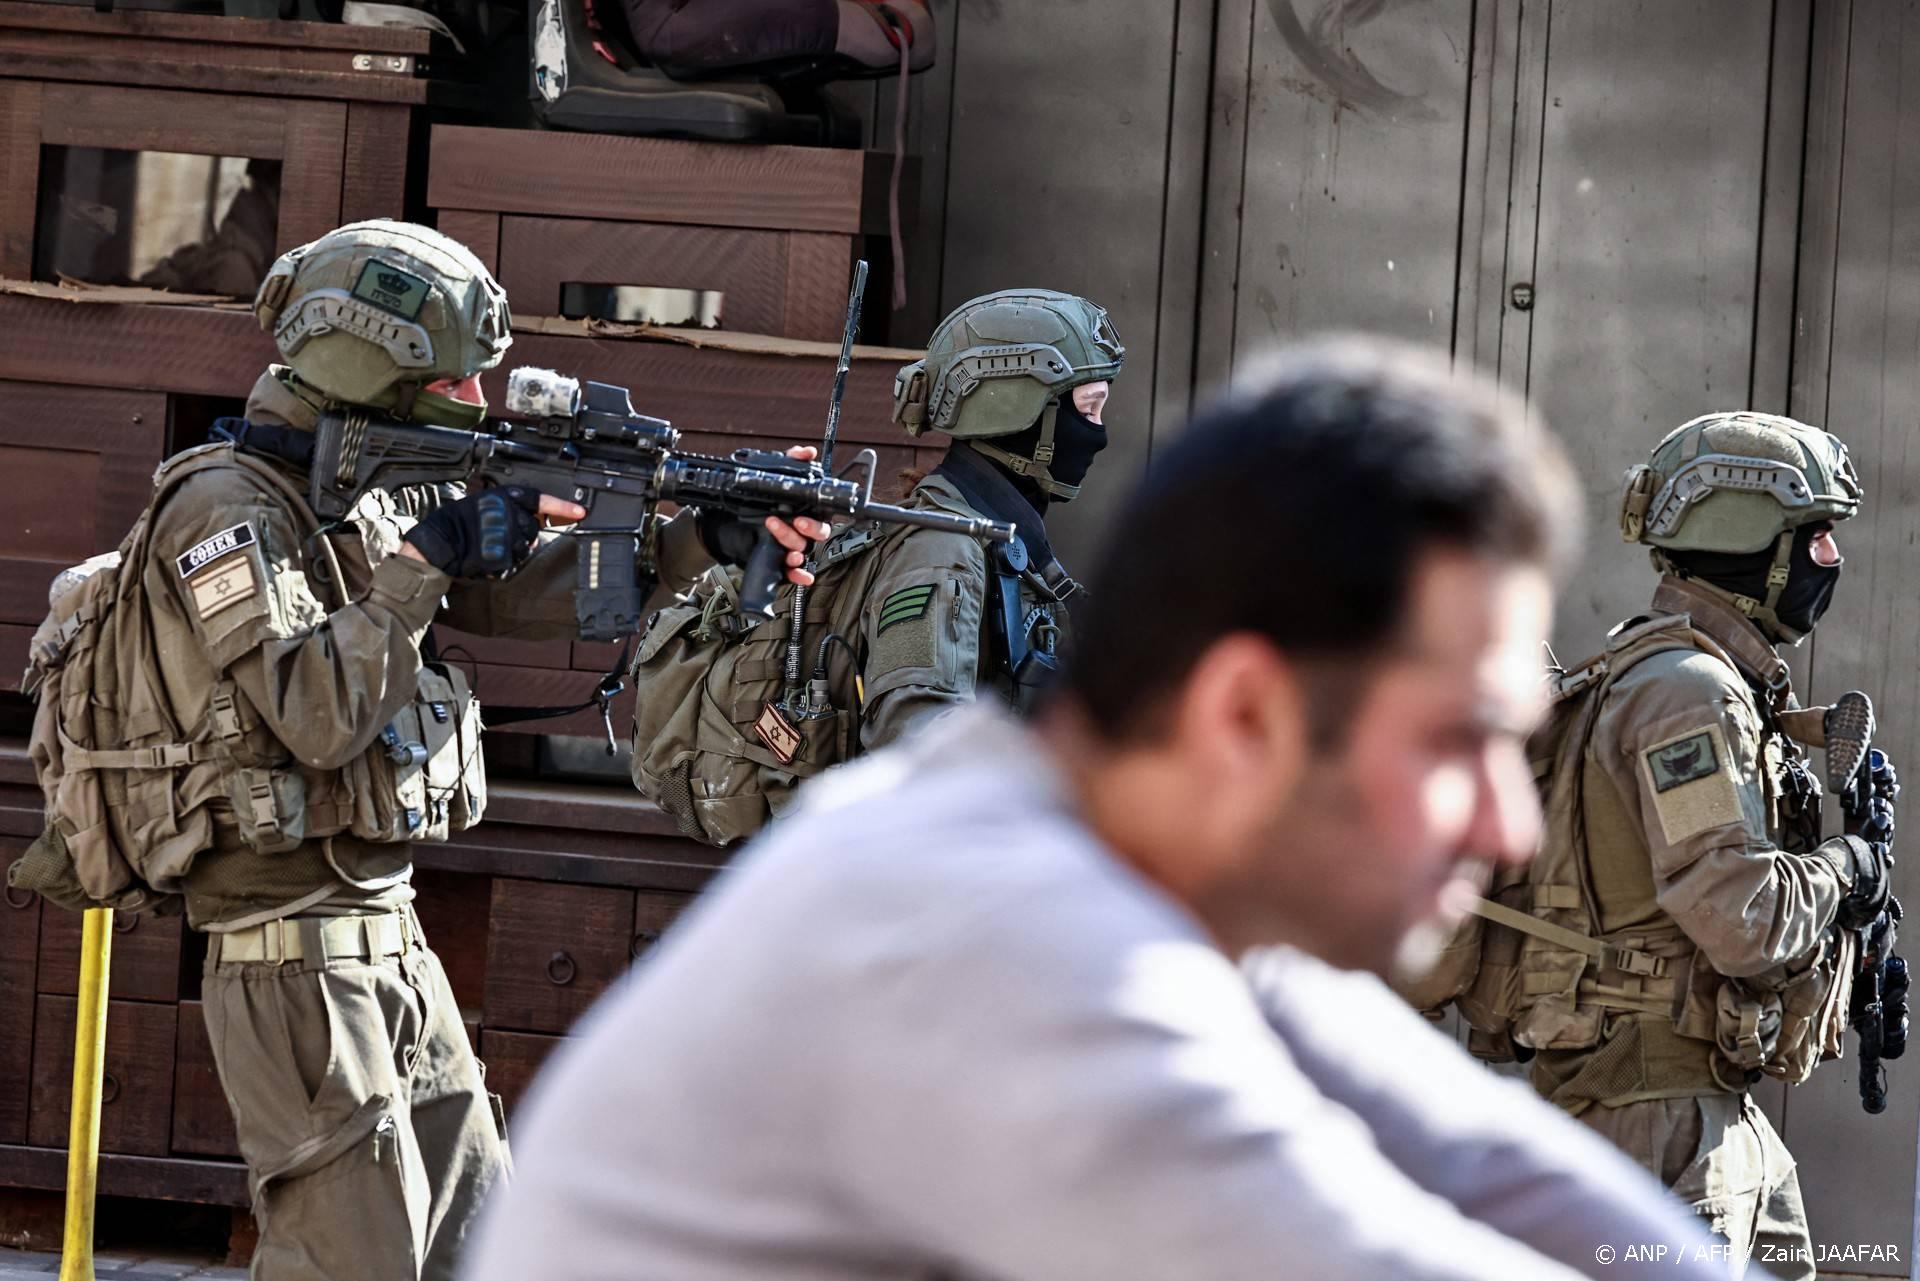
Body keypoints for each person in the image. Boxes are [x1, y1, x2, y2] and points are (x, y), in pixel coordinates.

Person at [464, 337, 1739, 1281]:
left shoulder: (1113, 874)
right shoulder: (1006, 941)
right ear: (1243, 717)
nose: (1509, 827)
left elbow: (1487, 1162)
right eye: (1464, 743)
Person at [12, 219, 820, 1281]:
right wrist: (426, 559)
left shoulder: (357, 494)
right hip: (290, 951)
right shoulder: (222, 509)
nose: (474, 406)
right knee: (355, 1261)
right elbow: (313, 711)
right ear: (364, 365)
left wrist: (702, 540)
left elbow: (515, 593)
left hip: (386, 933)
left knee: (479, 1244)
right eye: (448, 383)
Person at [1422, 411, 1889, 1279]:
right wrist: (1847, 868)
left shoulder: (1700, 679)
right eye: (1815, 536)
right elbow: (1741, 915)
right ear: (1751, 539)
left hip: (1710, 1117)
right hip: (1655, 1127)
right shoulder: (1685, 695)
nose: (1831, 561)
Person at [627, 287, 1124, 846]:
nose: (1100, 433)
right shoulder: (943, 554)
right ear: (1016, 409)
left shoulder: (978, 530)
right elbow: (916, 747)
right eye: (1088, 409)